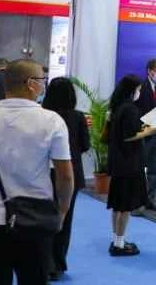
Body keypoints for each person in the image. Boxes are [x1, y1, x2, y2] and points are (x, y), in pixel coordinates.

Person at [0, 59, 74, 285]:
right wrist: (62, 212)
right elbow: (65, 176)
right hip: (34, 221)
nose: (44, 85)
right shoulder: (52, 121)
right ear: (31, 84)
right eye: (42, 80)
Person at [42, 77, 91, 281]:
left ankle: (41, 262)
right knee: (65, 218)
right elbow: (85, 145)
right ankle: (57, 264)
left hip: (44, 173)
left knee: (42, 217)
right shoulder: (77, 117)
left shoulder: (42, 116)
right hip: (71, 172)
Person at [107, 74, 156, 256]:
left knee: (117, 204)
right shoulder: (130, 109)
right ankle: (119, 244)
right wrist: (150, 131)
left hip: (118, 162)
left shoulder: (117, 107)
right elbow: (129, 136)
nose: (139, 92)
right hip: (129, 163)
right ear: (132, 90)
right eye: (138, 89)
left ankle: (117, 239)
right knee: (125, 206)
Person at [135, 59, 156, 213]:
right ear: (149, 71)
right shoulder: (141, 88)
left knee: (154, 170)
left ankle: (150, 200)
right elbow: (136, 111)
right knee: (139, 169)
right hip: (144, 133)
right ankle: (138, 202)